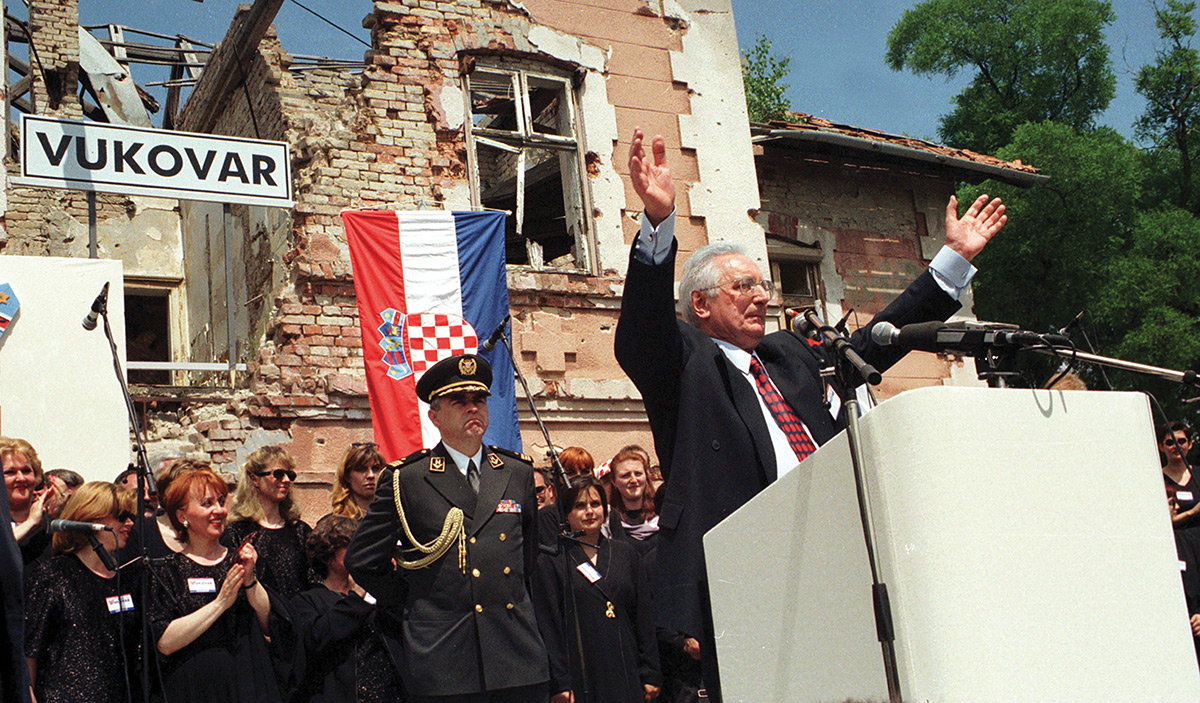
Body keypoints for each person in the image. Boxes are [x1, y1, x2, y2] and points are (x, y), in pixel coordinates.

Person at [615, 127, 1007, 699]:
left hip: (833, 553)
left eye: (763, 284)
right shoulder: (684, 365)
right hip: (741, 573)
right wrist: (657, 223)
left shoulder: (788, 354)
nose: (762, 295)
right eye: (743, 285)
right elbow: (643, 329)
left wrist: (953, 261)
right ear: (700, 303)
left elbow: (877, 339)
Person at [345, 353, 549, 703]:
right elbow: (362, 560)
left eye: (479, 399)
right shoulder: (407, 479)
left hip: (515, 654)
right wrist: (415, 601)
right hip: (446, 656)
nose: (473, 408)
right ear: (434, 416)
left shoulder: (516, 472)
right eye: (459, 401)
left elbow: (526, 559)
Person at [150, 465, 281, 703]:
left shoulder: (243, 559)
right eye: (207, 503)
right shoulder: (168, 571)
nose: (219, 510)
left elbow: (270, 624)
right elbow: (165, 643)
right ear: (182, 516)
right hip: (195, 687)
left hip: (247, 680)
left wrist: (250, 582)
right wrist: (220, 603)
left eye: (221, 501)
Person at [534, 474, 661, 703]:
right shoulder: (552, 560)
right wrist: (560, 683)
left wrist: (651, 672)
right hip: (580, 675)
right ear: (566, 514)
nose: (589, 512)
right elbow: (549, 627)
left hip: (625, 667)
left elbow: (643, 617)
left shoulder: (626, 554)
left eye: (595, 504)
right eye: (580, 506)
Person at [24, 482, 139, 703]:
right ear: (90, 518)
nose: (130, 523)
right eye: (121, 516)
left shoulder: (127, 576)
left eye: (131, 516)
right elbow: (30, 653)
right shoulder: (53, 575)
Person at [289, 514, 404, 703]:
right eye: (350, 545)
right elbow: (317, 639)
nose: (360, 551)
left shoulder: (377, 594)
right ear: (328, 556)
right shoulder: (308, 601)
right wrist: (356, 597)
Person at [226, 445, 313, 600]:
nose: (286, 480)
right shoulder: (237, 532)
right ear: (254, 479)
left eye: (290, 475)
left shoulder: (301, 531)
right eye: (278, 474)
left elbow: (314, 580)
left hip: (299, 612)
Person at [2, 437, 64, 565]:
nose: (21, 478)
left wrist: (63, 513)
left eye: (26, 471)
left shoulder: (49, 523)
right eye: (10, 472)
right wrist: (30, 522)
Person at [604, 446, 659, 553]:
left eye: (638, 474)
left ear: (646, 476)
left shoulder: (660, 514)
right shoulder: (608, 520)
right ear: (614, 482)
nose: (633, 480)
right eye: (625, 476)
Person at [329, 442, 385, 520]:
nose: (371, 475)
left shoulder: (395, 519)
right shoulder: (334, 523)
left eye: (376, 469)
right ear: (347, 476)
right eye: (361, 469)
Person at [1162, 422, 1200, 529]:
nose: (1176, 446)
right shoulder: (1157, 479)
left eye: (1181, 441)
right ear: (1161, 446)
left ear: (1190, 444)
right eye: (1170, 442)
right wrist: (1193, 511)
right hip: (1174, 538)